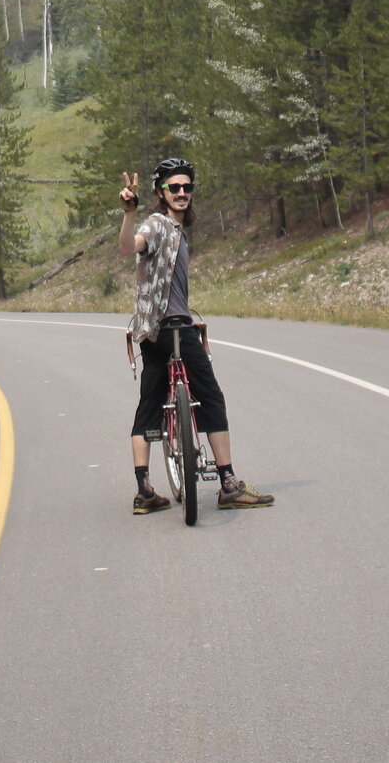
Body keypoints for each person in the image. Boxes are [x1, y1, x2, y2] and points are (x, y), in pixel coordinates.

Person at [118, 158, 273, 513]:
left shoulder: (177, 230)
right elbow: (130, 246)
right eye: (175, 187)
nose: (182, 193)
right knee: (211, 398)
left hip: (155, 331)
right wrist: (129, 212)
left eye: (187, 187)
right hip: (169, 328)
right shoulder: (157, 225)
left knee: (150, 404)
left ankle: (145, 491)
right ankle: (229, 483)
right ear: (161, 192)